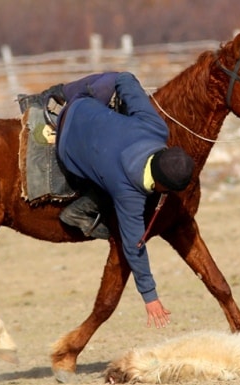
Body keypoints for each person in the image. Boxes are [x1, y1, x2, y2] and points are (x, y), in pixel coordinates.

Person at [53, 71, 195, 329]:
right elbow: (134, 245)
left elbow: (125, 79)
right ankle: (81, 211)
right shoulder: (129, 193)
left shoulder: (155, 127)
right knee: (105, 194)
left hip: (86, 104)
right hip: (66, 140)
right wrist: (150, 296)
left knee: (115, 82)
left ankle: (66, 91)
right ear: (162, 185)